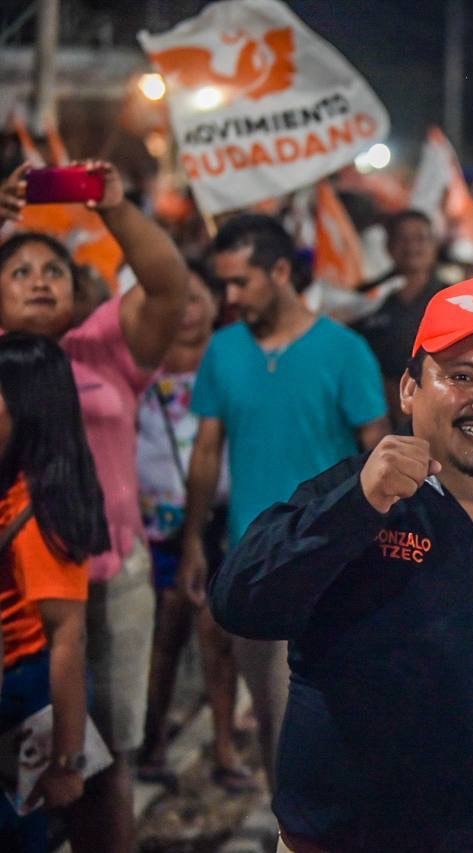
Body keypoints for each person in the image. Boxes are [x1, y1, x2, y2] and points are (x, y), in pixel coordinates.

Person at [209, 275, 473, 851]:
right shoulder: (349, 493)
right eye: (460, 376)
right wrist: (357, 506)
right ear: (409, 389)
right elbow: (242, 604)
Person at [0, 160, 188, 853]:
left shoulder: (105, 349)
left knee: (104, 758)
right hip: (13, 599)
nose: (40, 279)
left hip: (107, 582)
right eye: (19, 271)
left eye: (53, 270)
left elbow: (168, 285)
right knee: (20, 759)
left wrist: (117, 207)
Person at [178, 214, 389, 794]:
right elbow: (205, 451)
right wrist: (197, 540)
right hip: (258, 563)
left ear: (279, 271)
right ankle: (289, 828)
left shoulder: (344, 351)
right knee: (274, 717)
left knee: (335, 713)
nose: (229, 297)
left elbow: (379, 448)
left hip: (337, 564)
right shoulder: (223, 351)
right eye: (223, 284)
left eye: (240, 282)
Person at [134, 262, 250, 792]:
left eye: (197, 298)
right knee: (163, 635)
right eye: (176, 300)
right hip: (155, 521)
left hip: (219, 517)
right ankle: (151, 738)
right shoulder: (139, 361)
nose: (186, 311)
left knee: (218, 637)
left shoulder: (231, 362)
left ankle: (225, 746)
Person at [0, 333, 108, 851]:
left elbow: (67, 640)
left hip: (24, 695)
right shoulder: (18, 486)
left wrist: (67, 761)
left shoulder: (34, 513)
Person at [351, 210, 442, 427]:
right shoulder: (365, 298)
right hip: (376, 415)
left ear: (434, 245)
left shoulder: (453, 299)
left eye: (420, 238)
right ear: (388, 246)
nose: (412, 246)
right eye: (403, 238)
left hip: (434, 415)